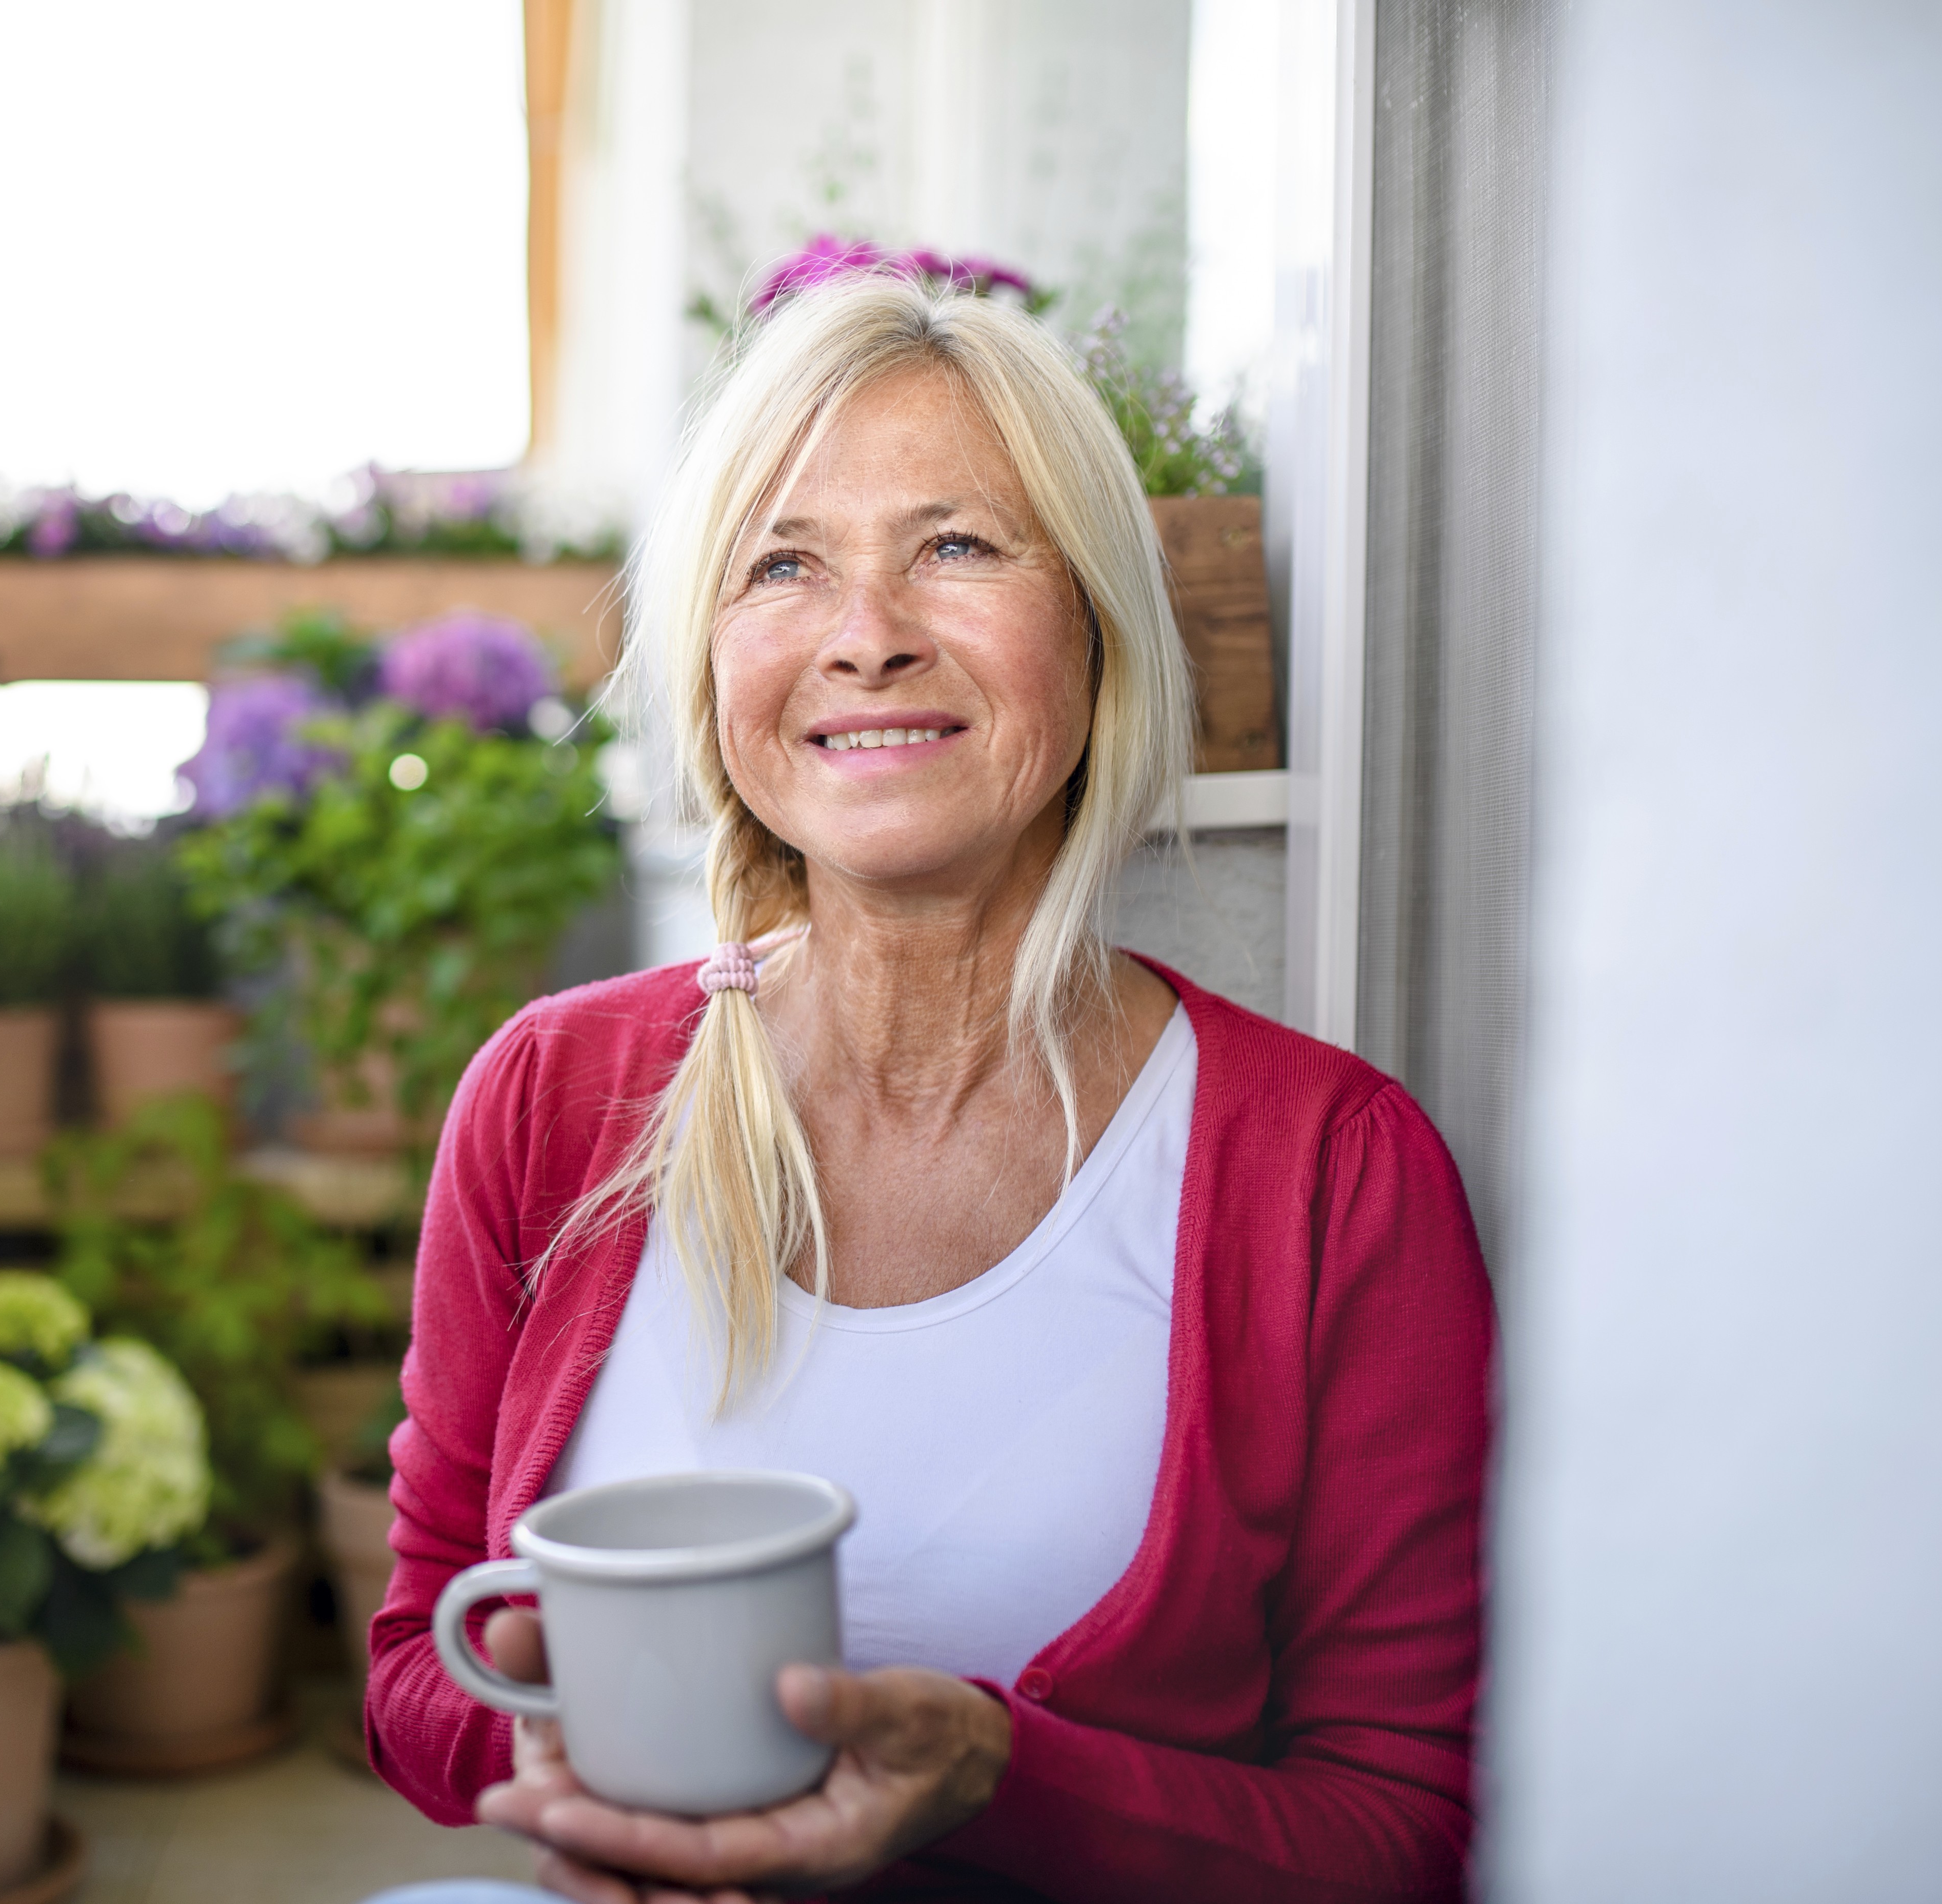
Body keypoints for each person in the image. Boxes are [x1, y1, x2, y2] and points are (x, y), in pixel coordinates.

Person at [363, 268, 1492, 1903]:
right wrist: (573, 1760)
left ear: (1097, 632)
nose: (870, 636)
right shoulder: (551, 1095)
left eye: (958, 547)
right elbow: (417, 1659)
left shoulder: (1333, 1173)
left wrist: (989, 1776)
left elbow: (1399, 1827)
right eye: (783, 564)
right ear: (712, 667)